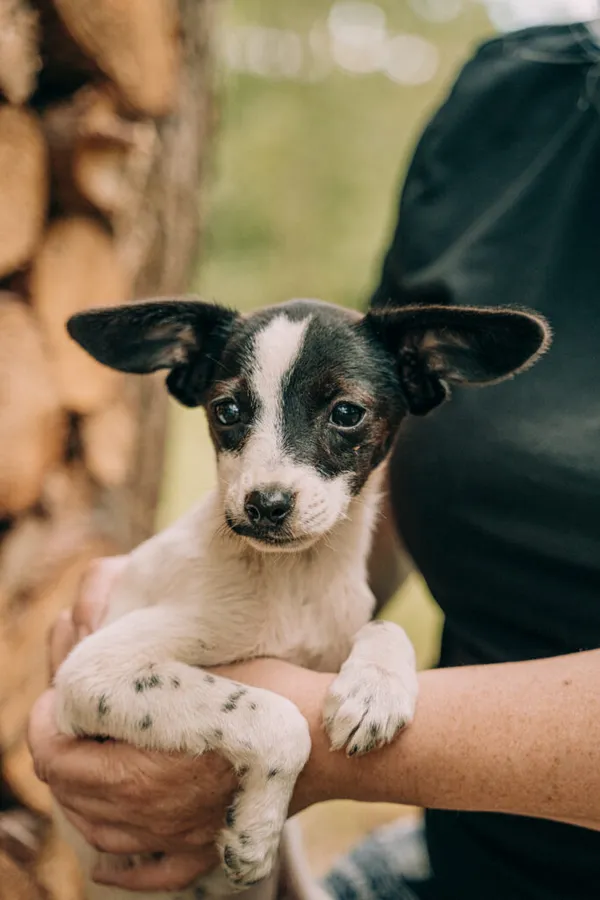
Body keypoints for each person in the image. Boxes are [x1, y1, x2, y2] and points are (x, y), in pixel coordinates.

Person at [28, 19, 600, 900]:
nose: (269, 481)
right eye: (233, 415)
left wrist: (363, 674)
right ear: (187, 379)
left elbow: (319, 668)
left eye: (341, 417)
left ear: (423, 381)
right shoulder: (514, 92)